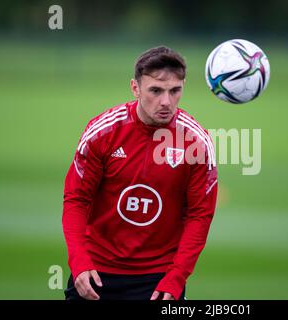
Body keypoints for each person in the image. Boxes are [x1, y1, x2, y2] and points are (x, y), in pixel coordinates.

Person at [62, 46, 218, 300]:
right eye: (155, 90)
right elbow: (76, 199)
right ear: (135, 88)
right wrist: (79, 262)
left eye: (175, 91)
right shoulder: (103, 132)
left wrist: (177, 277)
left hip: (158, 280)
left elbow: (200, 214)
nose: (166, 101)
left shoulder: (196, 142)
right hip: (95, 273)